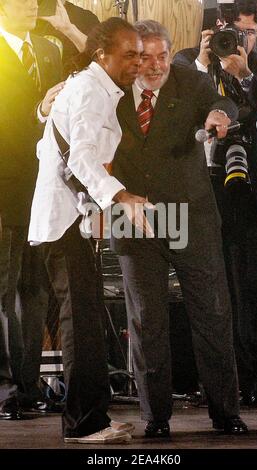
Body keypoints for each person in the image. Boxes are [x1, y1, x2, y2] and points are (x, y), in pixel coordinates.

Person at [110, 19, 248, 436]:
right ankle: (155, 419)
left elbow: (222, 106)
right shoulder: (109, 90)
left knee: (212, 312)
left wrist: (219, 115)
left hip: (191, 212)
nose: (153, 66)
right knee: (146, 320)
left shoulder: (191, 81)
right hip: (133, 214)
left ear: (172, 54)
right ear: (131, 57)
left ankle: (226, 413)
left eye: (161, 56)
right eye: (143, 57)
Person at [28, 17, 147, 444]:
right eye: (129, 54)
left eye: (140, 54)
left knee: (89, 322)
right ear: (103, 54)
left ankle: (94, 417)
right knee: (79, 323)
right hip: (63, 224)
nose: (137, 61)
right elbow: (78, 159)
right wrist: (122, 198)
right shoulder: (89, 90)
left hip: (74, 221)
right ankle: (82, 425)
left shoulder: (98, 89)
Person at [173, 0, 257, 405]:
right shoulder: (187, 60)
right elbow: (173, 108)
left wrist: (245, 74)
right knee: (205, 289)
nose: (241, 42)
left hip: (247, 190)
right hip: (200, 186)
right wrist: (202, 61)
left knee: (249, 288)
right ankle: (212, 382)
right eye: (236, 32)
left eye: (250, 34)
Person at [0, 0, 63, 419]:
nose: (28, 7)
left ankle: (27, 384)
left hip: (41, 189)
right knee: (2, 289)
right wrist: (38, 109)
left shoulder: (48, 50)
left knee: (36, 290)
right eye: (18, 1)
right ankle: (4, 386)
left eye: (31, 1)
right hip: (4, 186)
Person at [35, 0, 99, 72]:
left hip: (74, 81)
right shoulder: (27, 16)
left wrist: (69, 29)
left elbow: (100, 59)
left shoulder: (87, 18)